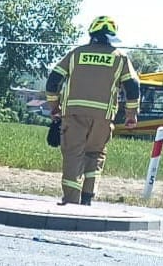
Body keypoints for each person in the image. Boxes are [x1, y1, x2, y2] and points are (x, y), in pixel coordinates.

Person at [45, 16, 139, 205]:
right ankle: (87, 197)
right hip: (103, 118)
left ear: (91, 35)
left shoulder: (76, 54)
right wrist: (131, 114)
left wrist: (54, 106)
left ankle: (71, 200)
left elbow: (53, 80)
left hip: (74, 114)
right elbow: (133, 86)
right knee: (95, 154)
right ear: (111, 38)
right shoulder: (120, 57)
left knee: (73, 155)